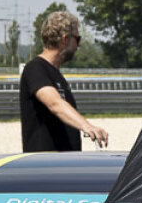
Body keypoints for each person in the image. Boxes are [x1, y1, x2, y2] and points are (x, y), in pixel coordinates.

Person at [20, 10, 108, 151]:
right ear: (64, 40)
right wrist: (87, 126)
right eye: (77, 39)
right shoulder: (35, 68)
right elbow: (54, 103)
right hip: (45, 162)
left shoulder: (56, 74)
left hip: (64, 161)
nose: (78, 46)